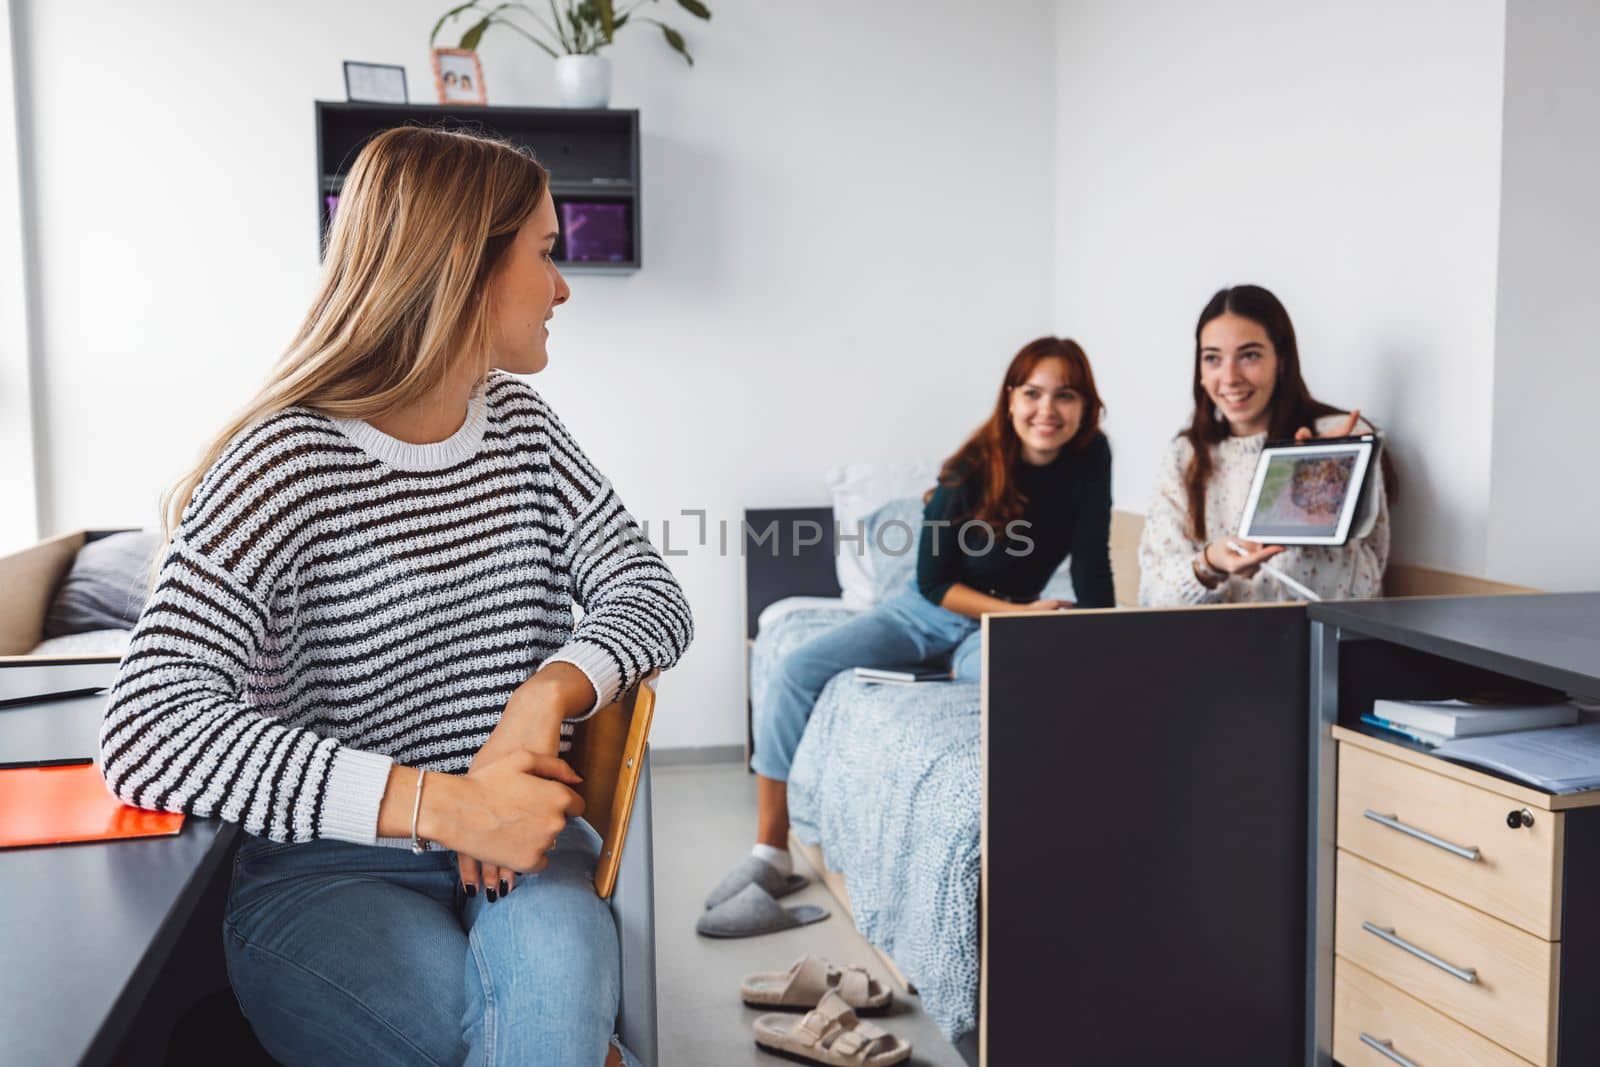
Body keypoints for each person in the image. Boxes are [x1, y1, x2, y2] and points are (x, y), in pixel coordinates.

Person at [98, 127, 693, 1067]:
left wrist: (543, 698)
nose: (564, 287)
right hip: (328, 874)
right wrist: (447, 806)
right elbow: (149, 732)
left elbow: (650, 589)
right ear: (465, 265)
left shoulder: (523, 428)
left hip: (527, 858)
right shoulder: (280, 463)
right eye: (545, 253)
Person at [703, 337, 1114, 921]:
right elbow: (933, 581)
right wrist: (1020, 617)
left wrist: (1110, 642)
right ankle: (772, 851)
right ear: (1010, 399)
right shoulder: (969, 469)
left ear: (1085, 405)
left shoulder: (1091, 459)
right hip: (927, 613)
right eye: (1033, 393)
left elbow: (1093, 560)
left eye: (1065, 396)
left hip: (997, 629)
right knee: (796, 669)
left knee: (1021, 679)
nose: (1047, 410)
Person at [1137, 284, 1391, 605]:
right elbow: (1151, 596)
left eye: (1250, 356)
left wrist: (1321, 490)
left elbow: (1364, 592)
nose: (1230, 378)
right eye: (1213, 358)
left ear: (1281, 361)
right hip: (1208, 649)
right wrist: (1210, 564)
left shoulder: (1337, 436)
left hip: (1314, 649)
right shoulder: (1185, 455)